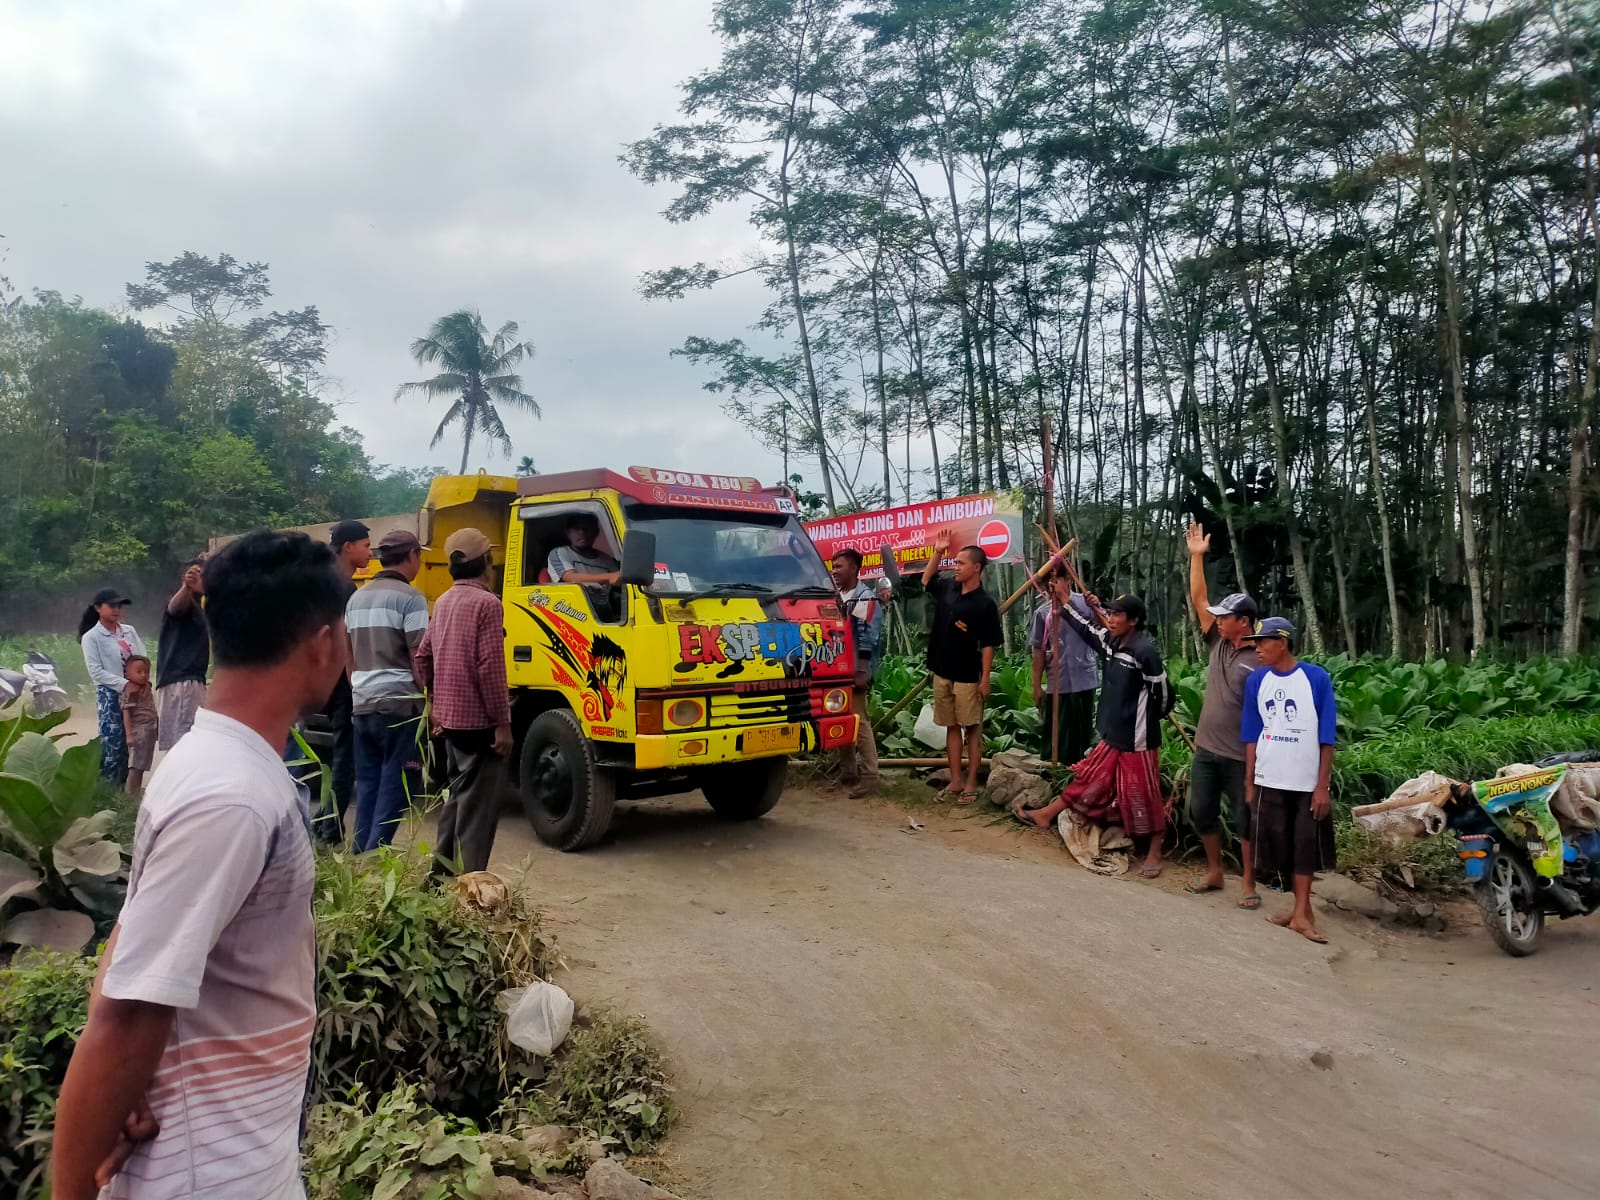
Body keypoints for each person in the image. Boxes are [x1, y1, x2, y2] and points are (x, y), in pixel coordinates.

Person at [51, 530, 349, 1200]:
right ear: (323, 642)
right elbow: (126, 1014)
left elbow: (134, 939)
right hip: (214, 1170)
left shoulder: (208, 761)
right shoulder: (232, 796)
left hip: (231, 1150)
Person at [1018, 593, 1174, 878]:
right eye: (1110, 613)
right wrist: (1065, 603)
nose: (1111, 619)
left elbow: (1164, 697)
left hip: (1138, 740)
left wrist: (1146, 718)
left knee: (1144, 795)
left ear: (1134, 621)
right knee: (1089, 777)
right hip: (1113, 733)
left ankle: (1155, 848)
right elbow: (1087, 629)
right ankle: (1046, 814)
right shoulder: (1113, 644)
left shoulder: (1144, 652)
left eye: (1117, 615)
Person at [416, 527, 513, 875]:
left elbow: (422, 658)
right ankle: (470, 892)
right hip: (479, 725)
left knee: (456, 803)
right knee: (477, 815)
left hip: (451, 724)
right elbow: (490, 669)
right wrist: (503, 724)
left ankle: (438, 881)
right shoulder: (488, 604)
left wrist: (435, 704)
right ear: (485, 562)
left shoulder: (443, 602)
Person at [1241, 616, 1338, 944]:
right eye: (1255, 643)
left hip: (1305, 781)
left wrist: (1322, 786)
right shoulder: (1256, 681)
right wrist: (1249, 780)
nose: (1257, 649)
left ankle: (1300, 913)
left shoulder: (1315, 679)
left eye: (1262, 642)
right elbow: (1252, 734)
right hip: (1270, 777)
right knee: (1278, 844)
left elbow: (1327, 736)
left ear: (1282, 643)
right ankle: (1300, 911)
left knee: (1304, 846)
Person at [1180, 522, 1263, 908]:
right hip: (1207, 749)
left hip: (1241, 755)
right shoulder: (1219, 640)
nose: (1218, 620)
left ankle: (1248, 882)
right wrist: (1197, 557)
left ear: (1243, 622)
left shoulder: (1263, 658)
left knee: (1246, 819)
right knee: (1202, 812)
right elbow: (1199, 599)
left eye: (1225, 617)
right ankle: (1215, 872)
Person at [349, 529, 430, 852]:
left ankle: (358, 854)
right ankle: (374, 852)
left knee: (368, 783)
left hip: (362, 702)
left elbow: (348, 654)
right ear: (411, 556)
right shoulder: (410, 598)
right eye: (419, 556)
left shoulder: (357, 598)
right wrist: (430, 700)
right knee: (399, 782)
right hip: (399, 706)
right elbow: (419, 655)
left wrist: (356, 689)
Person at [298, 518, 369, 843]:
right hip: (337, 680)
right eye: (366, 545)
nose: (370, 552)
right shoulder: (337, 588)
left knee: (339, 757)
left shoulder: (329, 583)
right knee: (344, 757)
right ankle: (329, 829)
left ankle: (323, 822)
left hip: (327, 677)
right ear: (348, 547)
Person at [919, 528, 1003, 804]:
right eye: (955, 563)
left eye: (961, 563)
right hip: (942, 671)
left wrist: (985, 679)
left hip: (968, 675)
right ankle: (955, 780)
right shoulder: (948, 588)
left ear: (976, 568)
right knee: (951, 728)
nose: (956, 567)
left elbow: (989, 644)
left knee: (972, 729)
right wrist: (938, 551)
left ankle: (971, 784)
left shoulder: (985, 604)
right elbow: (926, 579)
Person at [1028, 566, 1099, 766]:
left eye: (1056, 579)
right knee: (1057, 730)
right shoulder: (1042, 613)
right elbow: (1038, 653)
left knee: (1082, 729)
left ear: (1067, 579)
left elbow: (1102, 632)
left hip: (1084, 677)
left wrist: (1095, 606)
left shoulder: (1085, 604)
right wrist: (1036, 686)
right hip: (1058, 680)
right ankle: (1056, 771)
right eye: (1047, 582)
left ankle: (1083, 768)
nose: (1052, 584)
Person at [831, 547, 883, 798]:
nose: (834, 571)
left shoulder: (864, 597)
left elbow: (868, 636)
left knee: (859, 719)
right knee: (841, 717)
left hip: (855, 668)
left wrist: (861, 669)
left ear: (854, 568)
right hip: (837, 668)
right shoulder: (837, 596)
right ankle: (848, 772)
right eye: (833, 566)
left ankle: (871, 776)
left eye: (839, 566)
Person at [79, 588, 146, 786]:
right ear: (98, 608)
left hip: (136, 693)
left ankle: (127, 791)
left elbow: (142, 658)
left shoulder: (129, 631)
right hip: (109, 695)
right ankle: (107, 791)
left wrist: (141, 682)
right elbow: (96, 672)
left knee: (134, 743)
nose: (117, 609)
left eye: (119, 606)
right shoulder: (91, 637)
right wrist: (125, 684)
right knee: (112, 743)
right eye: (112, 605)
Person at [156, 560, 209, 751]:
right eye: (200, 575)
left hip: (192, 680)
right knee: (182, 742)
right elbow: (174, 609)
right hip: (182, 681)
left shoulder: (200, 605)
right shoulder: (183, 602)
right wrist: (186, 587)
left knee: (192, 741)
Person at [121, 656, 159, 796]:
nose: (144, 675)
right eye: (139, 671)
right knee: (135, 765)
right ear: (127, 674)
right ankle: (130, 795)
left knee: (142, 765)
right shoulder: (131, 690)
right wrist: (129, 734)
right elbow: (126, 712)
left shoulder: (146, 687)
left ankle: (135, 792)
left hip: (149, 730)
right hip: (139, 731)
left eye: (146, 672)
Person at [547, 512, 620, 585]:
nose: (582, 532)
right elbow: (571, 578)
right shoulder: (560, 553)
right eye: (576, 528)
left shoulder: (607, 560)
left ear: (596, 533)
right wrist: (609, 577)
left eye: (587, 528)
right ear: (567, 533)